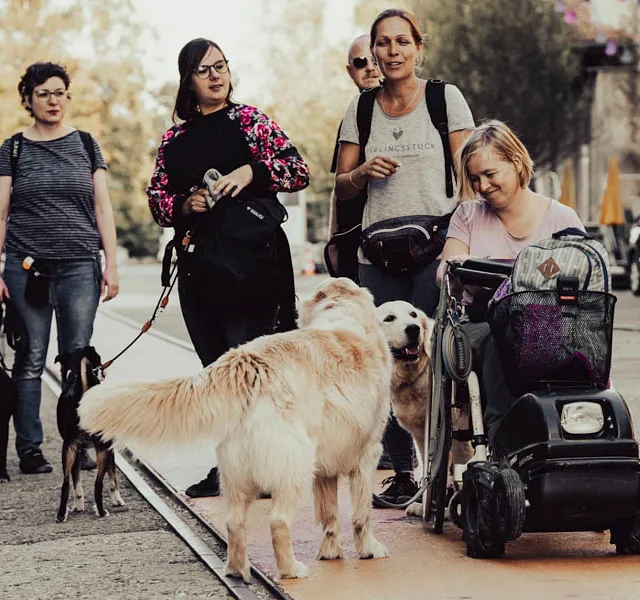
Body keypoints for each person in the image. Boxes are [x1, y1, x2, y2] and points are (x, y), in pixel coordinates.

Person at [147, 38, 310, 498]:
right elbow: (157, 201)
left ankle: (271, 468)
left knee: (256, 369)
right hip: (201, 267)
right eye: (204, 70)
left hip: (256, 265)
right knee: (216, 371)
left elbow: (297, 169)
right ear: (188, 81)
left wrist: (250, 173)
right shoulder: (173, 140)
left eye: (221, 66)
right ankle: (231, 470)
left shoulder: (249, 121)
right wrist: (186, 202)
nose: (216, 75)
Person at [335, 8, 475, 506]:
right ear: (372, 51)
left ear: (418, 47)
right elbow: (341, 182)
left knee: (439, 362)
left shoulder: (444, 99)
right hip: (377, 253)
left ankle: (452, 473)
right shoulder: (362, 110)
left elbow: (469, 175)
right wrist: (363, 171)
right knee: (381, 364)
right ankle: (403, 474)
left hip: (435, 249)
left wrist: (464, 239)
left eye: (402, 42)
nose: (392, 51)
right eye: (383, 43)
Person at [0, 62, 119, 474]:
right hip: (25, 266)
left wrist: (112, 265)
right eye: (44, 93)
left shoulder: (86, 144)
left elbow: (102, 207)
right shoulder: (13, 148)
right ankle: (30, 449)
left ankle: (80, 441)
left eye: (59, 92)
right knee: (30, 359)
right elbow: (0, 214)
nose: (53, 100)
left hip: (79, 265)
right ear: (28, 99)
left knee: (77, 360)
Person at [439, 119, 585, 448]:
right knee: (499, 336)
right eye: (475, 179)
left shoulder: (561, 219)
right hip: (484, 323)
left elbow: (583, 271)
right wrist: (461, 266)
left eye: (490, 174)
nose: (482, 186)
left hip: (550, 322)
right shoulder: (468, 216)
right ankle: (502, 438)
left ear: (516, 163)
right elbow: (445, 270)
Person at [326, 34, 382, 276]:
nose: (369, 67)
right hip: (354, 237)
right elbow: (338, 185)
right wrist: (333, 239)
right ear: (350, 70)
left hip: (400, 236)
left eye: (374, 60)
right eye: (360, 62)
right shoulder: (353, 114)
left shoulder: (415, 107)